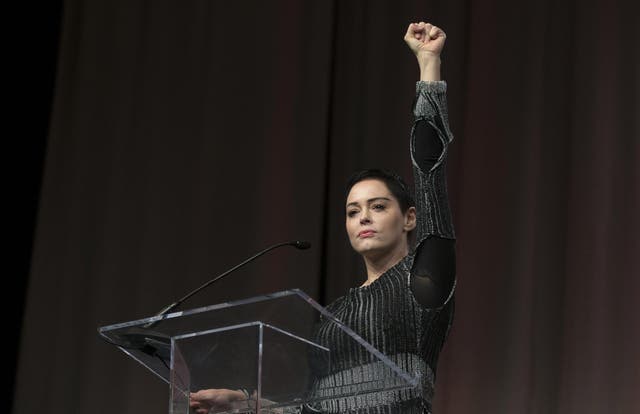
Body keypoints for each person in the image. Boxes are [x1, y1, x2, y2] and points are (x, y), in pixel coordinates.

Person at [190, 21, 456, 414]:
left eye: (378, 206)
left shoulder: (425, 283)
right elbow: (316, 407)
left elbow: (430, 170)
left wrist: (429, 66)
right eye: (353, 211)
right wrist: (247, 405)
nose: (363, 217)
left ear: (410, 218)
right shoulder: (335, 314)